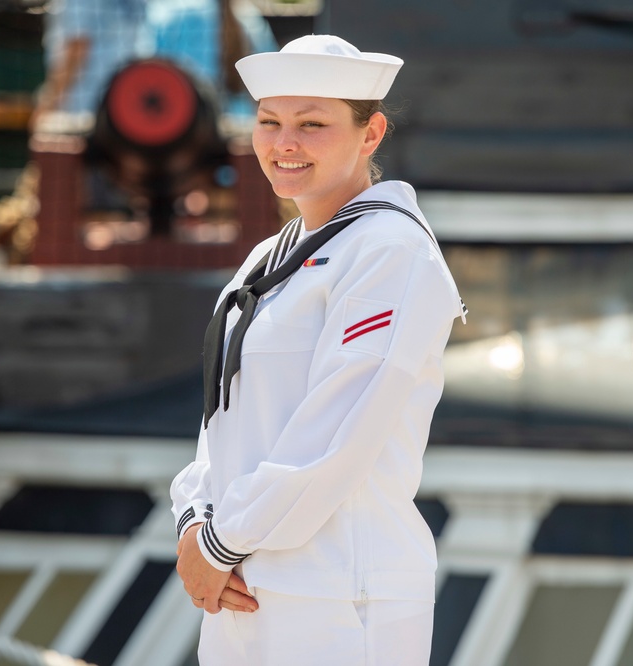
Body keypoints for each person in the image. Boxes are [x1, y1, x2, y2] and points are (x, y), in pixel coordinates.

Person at [170, 34, 466, 665]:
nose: (285, 144)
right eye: (269, 122)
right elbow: (225, 414)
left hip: (339, 595)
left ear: (371, 132)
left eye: (312, 124)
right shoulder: (269, 256)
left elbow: (336, 435)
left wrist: (218, 544)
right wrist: (194, 518)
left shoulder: (389, 251)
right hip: (244, 588)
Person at [146, 0, 278, 123]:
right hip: (243, 123)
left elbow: (153, 76)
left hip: (186, 124)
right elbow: (271, 80)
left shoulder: (171, 14)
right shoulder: (249, 16)